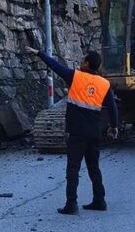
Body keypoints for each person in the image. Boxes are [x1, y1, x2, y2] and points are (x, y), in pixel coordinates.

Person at [26, 46, 119, 215]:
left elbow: (55, 66)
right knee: (94, 167)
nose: (81, 62)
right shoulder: (104, 84)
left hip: (77, 132)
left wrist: (39, 53)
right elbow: (113, 109)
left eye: (83, 60)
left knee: (73, 168)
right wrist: (114, 126)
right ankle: (100, 200)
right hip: (94, 133)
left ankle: (71, 204)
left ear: (87, 63)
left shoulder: (76, 77)